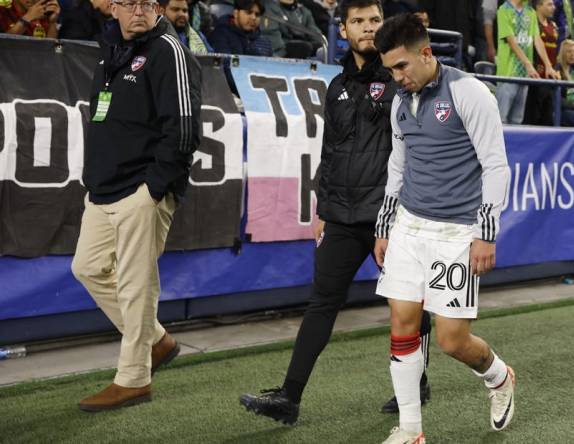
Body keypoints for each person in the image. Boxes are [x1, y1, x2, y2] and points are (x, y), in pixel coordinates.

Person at [238, 0, 433, 425]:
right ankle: (289, 397)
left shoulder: (402, 78)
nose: (367, 28)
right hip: (342, 215)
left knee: (410, 304)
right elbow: (329, 150)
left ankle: (416, 383)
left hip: (391, 216)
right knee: (321, 303)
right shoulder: (336, 85)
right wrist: (322, 208)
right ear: (342, 30)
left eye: (374, 20)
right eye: (358, 21)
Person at [373, 14, 515, 444]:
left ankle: (499, 376)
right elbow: (397, 166)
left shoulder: (469, 92)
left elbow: (495, 165)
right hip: (409, 227)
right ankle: (412, 430)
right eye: (390, 70)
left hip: (456, 233)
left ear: (427, 53)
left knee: (453, 341)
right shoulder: (401, 101)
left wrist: (486, 232)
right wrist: (384, 225)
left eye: (402, 67)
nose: (397, 78)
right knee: (402, 323)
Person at [72, 1, 201, 412]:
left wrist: (153, 189)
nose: (139, 11)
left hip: (142, 189)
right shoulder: (111, 47)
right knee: (87, 267)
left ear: (159, 7)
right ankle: (157, 340)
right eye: (129, 3)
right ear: (114, 8)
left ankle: (133, 379)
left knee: (135, 285)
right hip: (104, 188)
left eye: (148, 2)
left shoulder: (168, 50)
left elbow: (183, 129)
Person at [496, 0, 559, 125]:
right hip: (508, 74)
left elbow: (537, 40)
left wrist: (548, 65)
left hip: (525, 75)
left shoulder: (530, 12)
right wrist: (528, 65)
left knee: (517, 120)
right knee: (501, 119)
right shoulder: (504, 10)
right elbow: (511, 41)